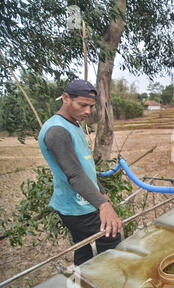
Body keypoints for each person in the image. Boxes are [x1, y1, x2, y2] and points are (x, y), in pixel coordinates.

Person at [38, 79, 122, 266]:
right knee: (111, 238)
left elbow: (86, 168)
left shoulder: (73, 124)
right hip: (77, 206)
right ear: (66, 98)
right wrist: (103, 205)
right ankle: (107, 284)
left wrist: (102, 193)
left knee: (83, 247)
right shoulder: (57, 131)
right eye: (83, 105)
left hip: (82, 200)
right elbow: (75, 174)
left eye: (91, 107)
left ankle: (83, 284)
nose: (88, 111)